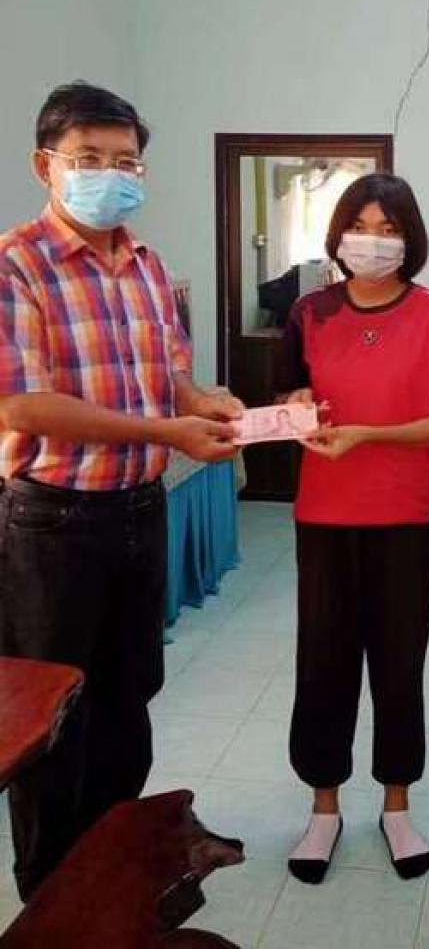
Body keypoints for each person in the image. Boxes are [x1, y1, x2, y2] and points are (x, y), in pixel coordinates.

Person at [0, 82, 242, 900]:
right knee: (51, 717)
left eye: (125, 161)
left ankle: (112, 870)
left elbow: (166, 378)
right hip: (53, 524)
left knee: (130, 696)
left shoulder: (147, 264)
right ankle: (50, 894)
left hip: (140, 511)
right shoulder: (15, 264)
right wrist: (167, 433)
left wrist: (204, 402)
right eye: (88, 159)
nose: (110, 174)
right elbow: (23, 404)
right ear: (46, 166)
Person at [277, 173, 429, 884]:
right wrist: (298, 402)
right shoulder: (309, 312)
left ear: (409, 239)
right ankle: (323, 809)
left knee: (399, 666)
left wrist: (368, 435)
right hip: (325, 519)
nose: (373, 241)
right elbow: (289, 391)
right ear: (338, 235)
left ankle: (397, 806)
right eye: (360, 227)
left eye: (389, 230)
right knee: (323, 664)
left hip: (409, 521)